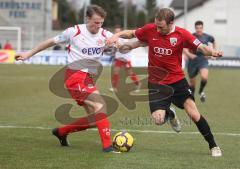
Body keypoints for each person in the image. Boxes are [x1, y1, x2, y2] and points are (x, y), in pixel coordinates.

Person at [107, 8, 222, 157]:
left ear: (171, 23)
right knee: (158, 120)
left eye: (161, 26)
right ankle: (170, 114)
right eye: (156, 25)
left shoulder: (182, 34)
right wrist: (116, 36)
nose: (158, 29)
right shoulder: (151, 29)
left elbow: (201, 47)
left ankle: (213, 145)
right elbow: (131, 34)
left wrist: (212, 52)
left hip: (177, 80)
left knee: (193, 113)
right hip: (156, 83)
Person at [15, 5, 117, 153]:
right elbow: (50, 42)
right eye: (95, 22)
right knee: (101, 107)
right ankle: (108, 147)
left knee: (95, 120)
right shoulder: (74, 32)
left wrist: (119, 42)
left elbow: (122, 45)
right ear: (87, 18)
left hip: (88, 80)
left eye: (101, 22)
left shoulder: (105, 34)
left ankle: (61, 132)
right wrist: (29, 54)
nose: (98, 26)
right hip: (74, 77)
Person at [184, 21, 216, 102]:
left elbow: (214, 41)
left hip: (202, 59)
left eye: (200, 28)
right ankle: (192, 98)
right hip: (193, 60)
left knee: (204, 77)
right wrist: (188, 54)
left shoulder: (207, 37)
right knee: (192, 84)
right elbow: (184, 46)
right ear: (195, 28)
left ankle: (201, 91)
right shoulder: (191, 36)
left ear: (202, 28)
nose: (199, 30)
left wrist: (213, 52)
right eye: (197, 28)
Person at [109, 26, 141, 93]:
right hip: (119, 59)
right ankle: (114, 88)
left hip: (126, 59)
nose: (117, 33)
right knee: (115, 72)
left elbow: (126, 48)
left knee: (130, 73)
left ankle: (138, 84)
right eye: (116, 31)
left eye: (118, 31)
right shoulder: (113, 39)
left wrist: (119, 47)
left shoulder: (124, 40)